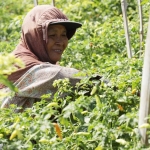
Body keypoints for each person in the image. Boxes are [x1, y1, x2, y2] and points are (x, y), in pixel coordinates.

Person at [0, 5, 82, 110]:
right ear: (34, 36)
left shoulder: (44, 63)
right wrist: (103, 81)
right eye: (52, 35)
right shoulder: (21, 64)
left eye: (63, 35)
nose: (60, 42)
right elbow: (58, 76)